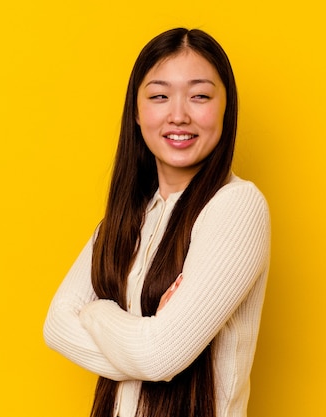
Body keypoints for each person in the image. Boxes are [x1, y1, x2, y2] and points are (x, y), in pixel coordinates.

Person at [43, 28, 271, 417]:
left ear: (225, 108)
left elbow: (160, 357)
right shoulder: (126, 217)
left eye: (199, 95)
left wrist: (96, 311)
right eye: (159, 96)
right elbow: (56, 325)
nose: (178, 115)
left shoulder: (236, 206)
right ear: (136, 110)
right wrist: (144, 333)